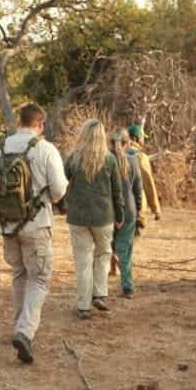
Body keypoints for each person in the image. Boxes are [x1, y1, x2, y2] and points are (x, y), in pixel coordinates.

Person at [0, 103, 68, 364]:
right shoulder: (45, 149)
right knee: (40, 279)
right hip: (37, 225)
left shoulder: (1, 148)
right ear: (40, 123)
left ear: (20, 121)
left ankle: (18, 326)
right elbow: (60, 190)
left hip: (7, 225)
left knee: (19, 274)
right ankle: (24, 332)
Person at [64, 119, 125, 319]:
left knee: (83, 260)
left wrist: (62, 206)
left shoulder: (73, 158)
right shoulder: (109, 159)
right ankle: (99, 293)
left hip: (78, 217)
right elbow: (117, 191)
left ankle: (83, 305)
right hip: (103, 216)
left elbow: (62, 183)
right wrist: (120, 214)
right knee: (102, 255)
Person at [111, 128, 142, 298]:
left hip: (109, 210)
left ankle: (98, 289)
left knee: (107, 248)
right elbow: (138, 190)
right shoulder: (133, 161)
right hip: (129, 209)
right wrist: (138, 212)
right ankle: (127, 287)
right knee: (125, 249)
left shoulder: (106, 160)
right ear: (127, 143)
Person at [127, 124, 161, 235]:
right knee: (129, 243)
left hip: (115, 206)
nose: (143, 141)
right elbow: (148, 183)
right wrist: (156, 209)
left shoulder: (116, 154)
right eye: (142, 138)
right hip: (136, 207)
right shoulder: (141, 157)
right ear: (135, 138)